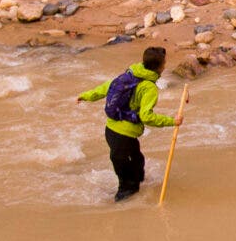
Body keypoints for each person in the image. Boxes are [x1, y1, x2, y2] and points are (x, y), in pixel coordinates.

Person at [77, 44, 180, 202]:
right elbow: (147, 117)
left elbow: (106, 88)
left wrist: (85, 96)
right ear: (160, 67)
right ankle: (123, 206)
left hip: (111, 131)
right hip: (124, 136)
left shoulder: (129, 75)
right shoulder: (149, 88)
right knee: (128, 186)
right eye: (164, 63)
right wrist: (172, 121)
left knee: (137, 162)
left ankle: (134, 189)